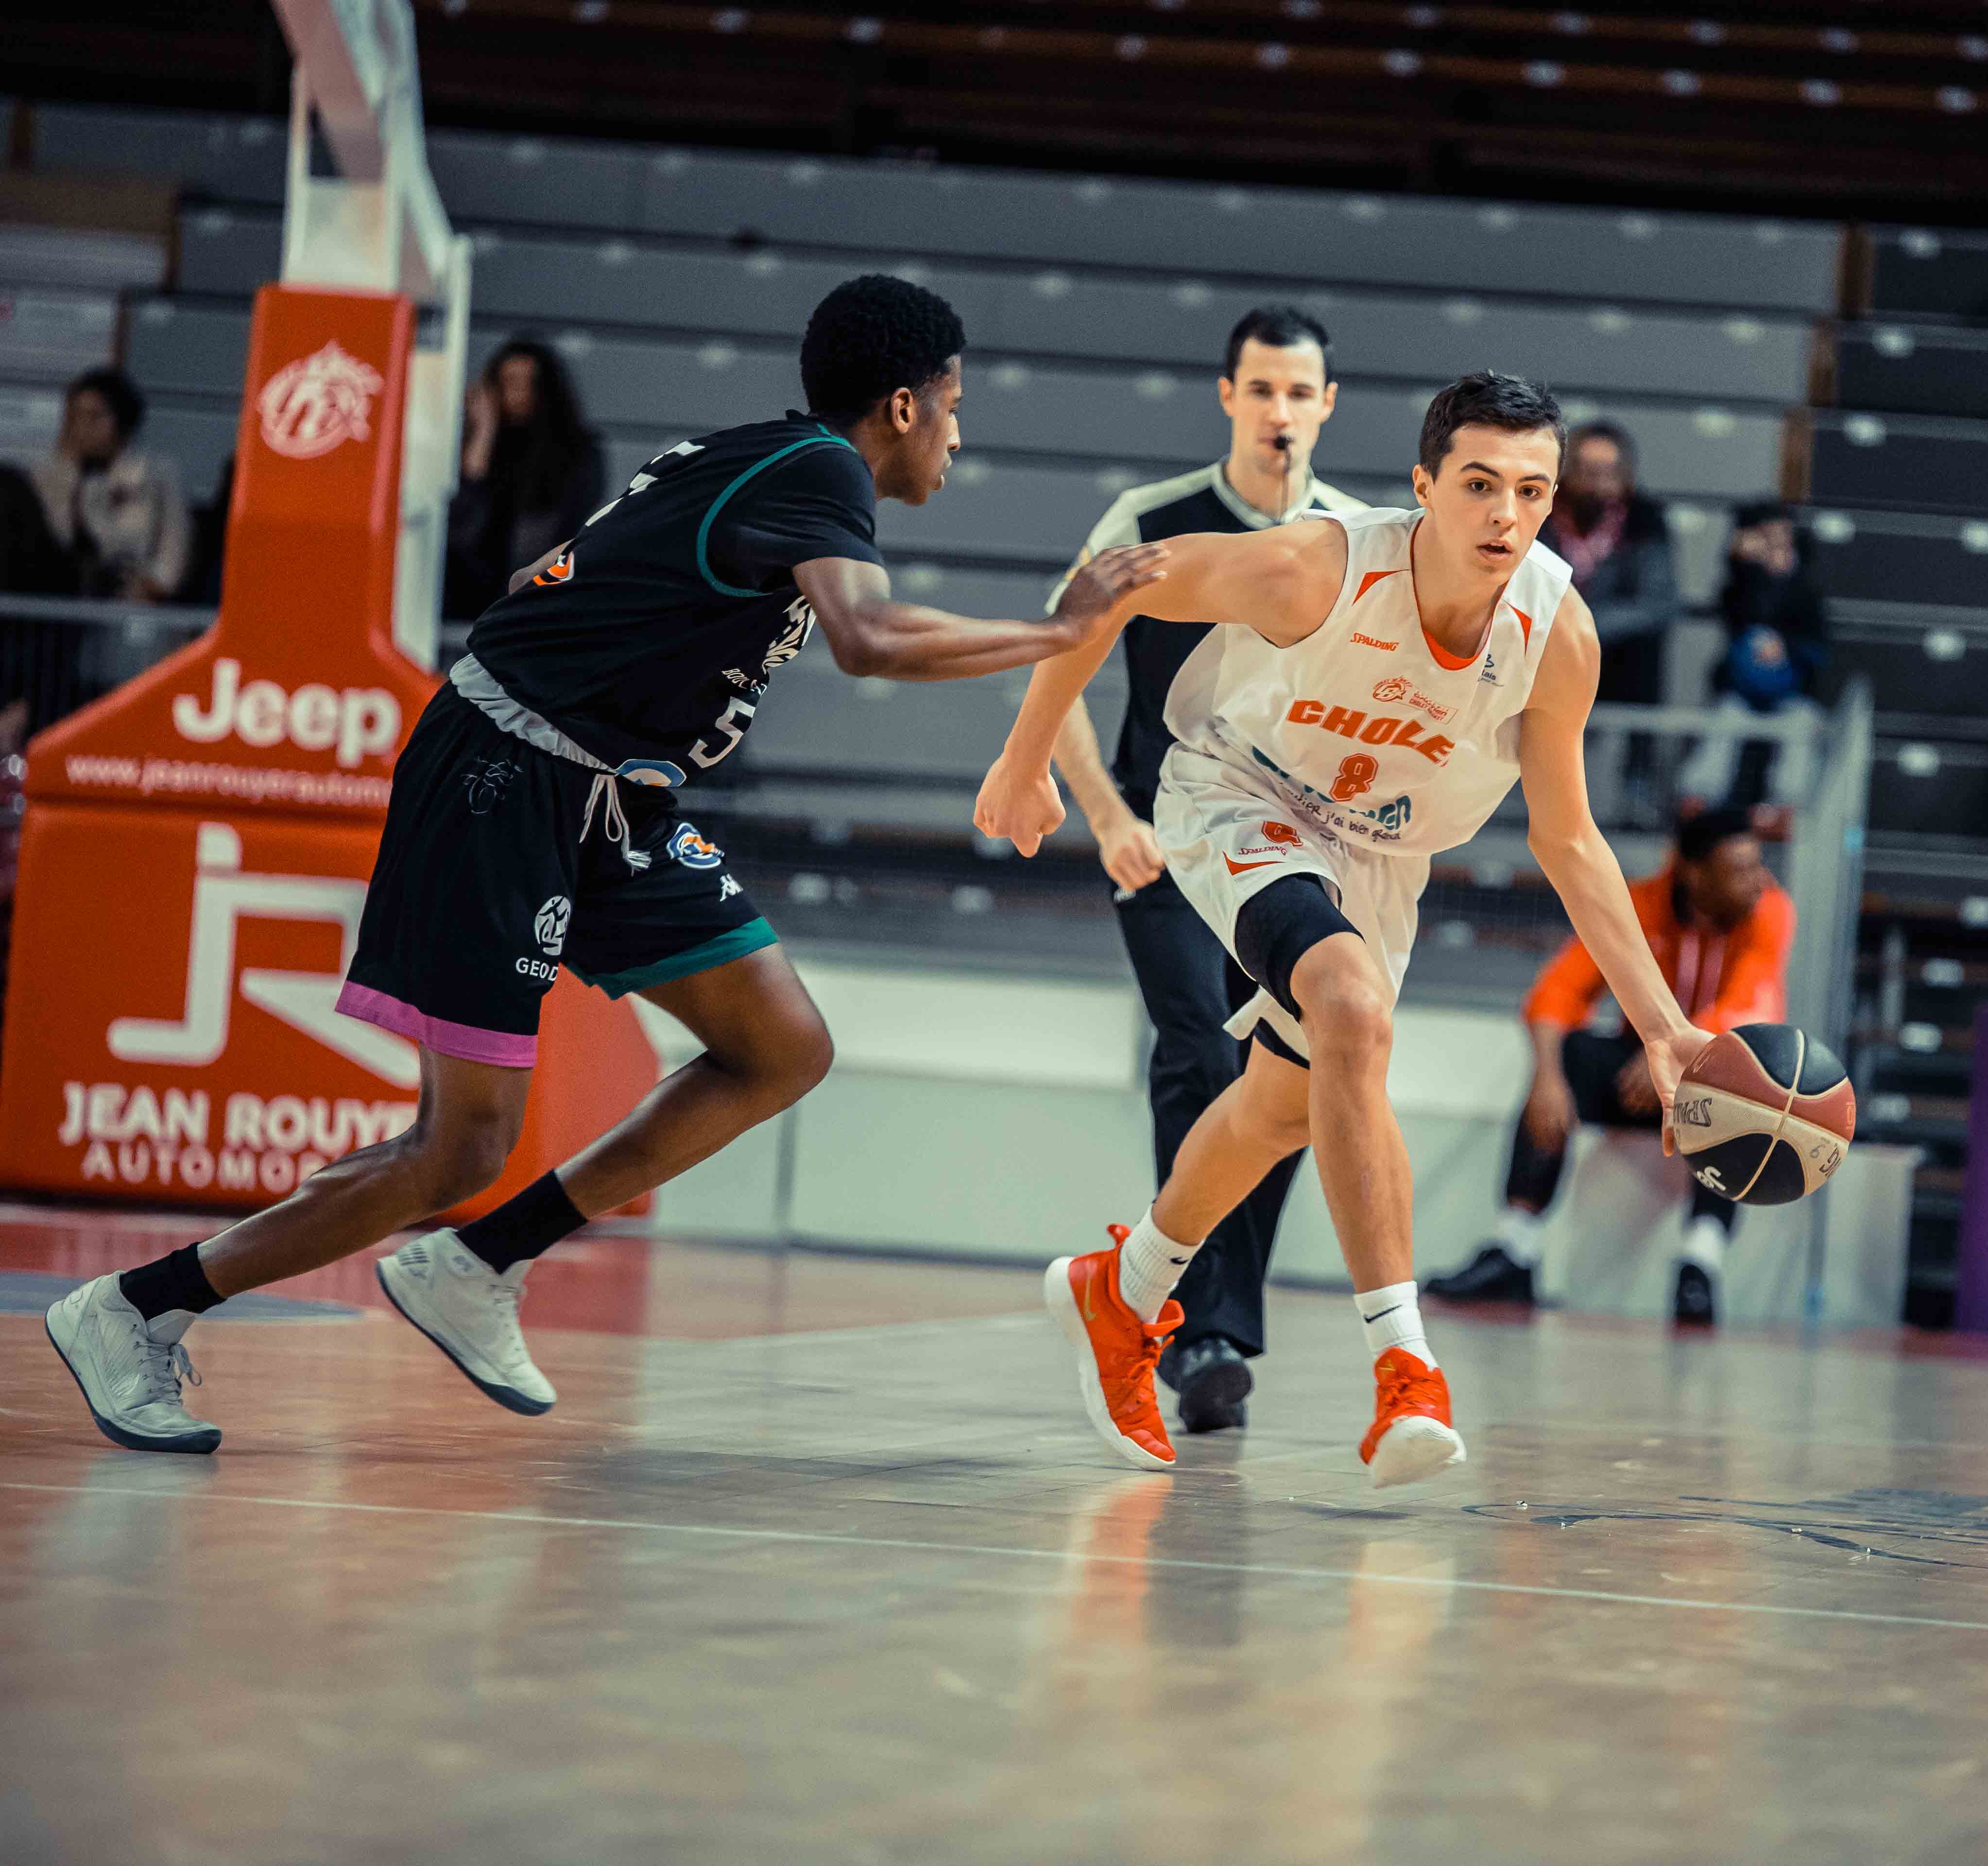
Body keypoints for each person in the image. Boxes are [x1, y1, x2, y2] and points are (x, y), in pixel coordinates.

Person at [46, 275, 1167, 1456]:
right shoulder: (816, 472)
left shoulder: (775, 465)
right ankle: (134, 1308)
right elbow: (869, 640)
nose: (957, 431)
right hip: (505, 770)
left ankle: (478, 1260)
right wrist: (1057, 631)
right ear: (899, 406)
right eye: (951, 405)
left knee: (781, 1045)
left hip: (610, 789)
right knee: (459, 1144)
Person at [977, 372, 1719, 1487]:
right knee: (1350, 1010)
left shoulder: (1555, 637)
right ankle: (1403, 1367)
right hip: (1242, 793)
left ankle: (1121, 1289)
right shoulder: (1314, 564)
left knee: (1279, 1105)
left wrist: (1661, 1026)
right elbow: (1107, 582)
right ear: (1422, 486)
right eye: (1476, 485)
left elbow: (1567, 840)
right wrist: (1027, 756)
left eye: (1530, 491)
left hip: (1380, 857)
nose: (1503, 516)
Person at [1043, 305, 1367, 1434]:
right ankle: (1191, 1322)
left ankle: (1211, 1323)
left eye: (1299, 391)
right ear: (1227, 395)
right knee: (1192, 1046)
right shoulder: (1151, 519)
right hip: (1163, 838)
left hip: (1296, 852)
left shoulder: (1353, 541)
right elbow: (1058, 656)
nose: (1279, 409)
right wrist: (1102, 814)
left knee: (1283, 1077)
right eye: (1260, 388)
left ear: (1327, 405)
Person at [1425, 806, 1791, 1327]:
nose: (1758, 882)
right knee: (1569, 1056)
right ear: (1693, 872)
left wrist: (1669, 1047)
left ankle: (1699, 1265)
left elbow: (1746, 1008)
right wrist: (1546, 1079)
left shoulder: (1771, 911)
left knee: (1739, 1077)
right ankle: (1514, 1248)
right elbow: (1559, 990)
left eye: (1758, 866)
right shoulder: (1639, 906)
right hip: (1637, 1081)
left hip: (1702, 1075)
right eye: (1740, 871)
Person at [1547, 421, 1681, 818]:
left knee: (1646, 646)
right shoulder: (1541, 512)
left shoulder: (1646, 522)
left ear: (1627, 477)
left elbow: (1659, 602)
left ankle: (1635, 787)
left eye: (1607, 472)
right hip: (1551, 642)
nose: (1595, 483)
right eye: (1586, 471)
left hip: (1616, 649)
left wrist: (1586, 623)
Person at [1678, 501, 1827, 812]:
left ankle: (1785, 810)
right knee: (1724, 723)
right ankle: (1699, 799)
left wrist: (1787, 646)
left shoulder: (1808, 588)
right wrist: (1751, 569)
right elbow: (1738, 613)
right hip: (1742, 693)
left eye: (1782, 538)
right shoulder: (1741, 583)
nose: (1775, 547)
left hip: (1793, 693)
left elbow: (1820, 647)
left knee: (1799, 731)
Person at [444, 339, 607, 620]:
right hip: (463, 597)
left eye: (526, 383)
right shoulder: (478, 442)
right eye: (507, 382)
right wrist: (483, 433)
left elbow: (562, 533)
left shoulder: (577, 454)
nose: (516, 394)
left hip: (531, 598)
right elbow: (458, 526)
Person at [34, 367, 189, 602]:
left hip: (129, 601)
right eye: (77, 416)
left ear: (123, 420)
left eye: (96, 416)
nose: (84, 426)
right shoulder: (49, 475)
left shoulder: (157, 474)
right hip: (59, 602)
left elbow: (174, 544)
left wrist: (155, 585)